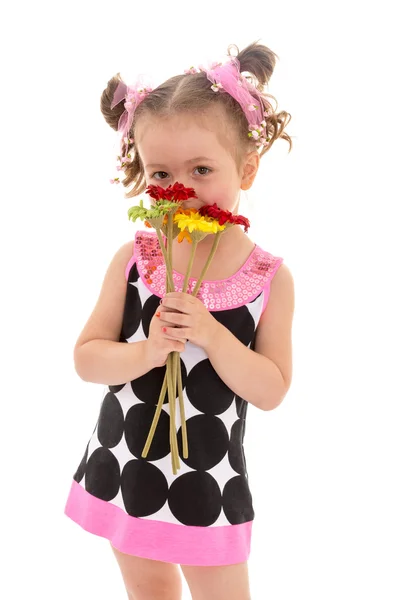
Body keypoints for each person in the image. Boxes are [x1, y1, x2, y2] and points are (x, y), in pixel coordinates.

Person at [64, 40, 295, 600]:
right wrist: (146, 350)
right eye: (161, 172)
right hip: (129, 463)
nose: (181, 190)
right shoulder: (137, 260)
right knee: (149, 591)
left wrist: (212, 335)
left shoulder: (269, 278)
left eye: (202, 169)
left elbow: (271, 390)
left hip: (207, 478)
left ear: (248, 167)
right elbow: (87, 357)